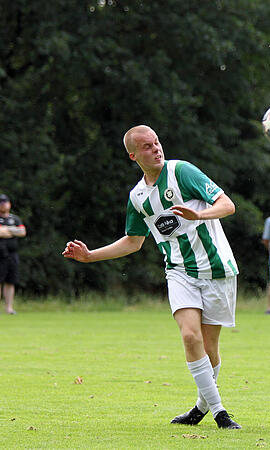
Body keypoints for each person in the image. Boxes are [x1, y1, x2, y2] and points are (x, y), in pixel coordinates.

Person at [62, 125, 243, 429]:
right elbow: (133, 241)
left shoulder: (182, 172)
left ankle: (200, 407)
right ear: (133, 156)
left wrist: (200, 214)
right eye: (147, 146)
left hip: (218, 271)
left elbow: (227, 205)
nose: (156, 149)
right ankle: (219, 412)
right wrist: (90, 256)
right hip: (179, 272)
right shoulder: (137, 197)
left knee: (210, 348)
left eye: (157, 142)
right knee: (190, 336)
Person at [0, 194, 26, 315]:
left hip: (12, 255)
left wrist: (7, 229)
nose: (3, 204)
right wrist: (13, 230)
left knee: (10, 281)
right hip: (0, 255)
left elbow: (22, 232)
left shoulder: (15, 219)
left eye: (5, 202)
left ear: (9, 204)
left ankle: (9, 308)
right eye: (1, 202)